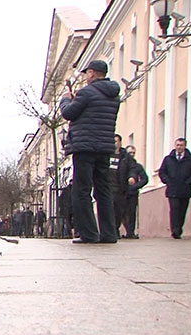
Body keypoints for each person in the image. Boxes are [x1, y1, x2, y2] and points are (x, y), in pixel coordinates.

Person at [60, 60, 121, 244]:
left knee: (82, 190)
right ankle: (109, 234)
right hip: (104, 147)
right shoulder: (114, 95)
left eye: (87, 73)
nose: (86, 77)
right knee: (103, 190)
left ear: (93, 73)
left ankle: (88, 234)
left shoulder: (86, 93)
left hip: (85, 147)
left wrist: (65, 99)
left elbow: (69, 113)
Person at [158, 138, 191, 239]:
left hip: (185, 189)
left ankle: (179, 228)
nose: (179, 147)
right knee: (174, 209)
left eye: (181, 145)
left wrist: (188, 182)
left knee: (182, 211)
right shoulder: (168, 159)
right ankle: (175, 230)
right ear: (175, 146)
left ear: (185, 146)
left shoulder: (190, 159)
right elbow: (162, 172)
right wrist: (167, 181)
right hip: (172, 190)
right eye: (177, 145)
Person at [110, 134, 139, 237]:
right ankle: (111, 231)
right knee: (108, 209)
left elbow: (132, 168)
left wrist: (131, 177)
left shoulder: (125, 157)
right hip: (107, 187)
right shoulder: (105, 154)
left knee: (118, 211)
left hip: (120, 188)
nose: (114, 144)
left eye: (116, 141)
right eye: (112, 141)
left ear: (120, 143)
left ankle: (115, 228)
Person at [124, 145, 148, 239]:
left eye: (133, 153)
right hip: (120, 192)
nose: (132, 155)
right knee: (120, 212)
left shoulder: (137, 166)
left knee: (131, 212)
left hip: (132, 193)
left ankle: (130, 232)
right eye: (130, 153)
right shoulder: (122, 164)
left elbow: (145, 179)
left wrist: (135, 187)